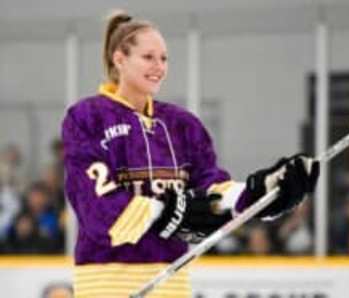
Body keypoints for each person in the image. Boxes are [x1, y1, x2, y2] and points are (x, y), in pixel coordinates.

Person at [61, 10, 319, 298]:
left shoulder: (182, 124)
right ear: (119, 59)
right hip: (107, 284)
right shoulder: (86, 117)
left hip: (172, 284)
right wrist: (171, 212)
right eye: (148, 57)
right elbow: (97, 210)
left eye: (164, 58)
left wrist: (262, 192)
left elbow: (211, 191)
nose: (159, 66)